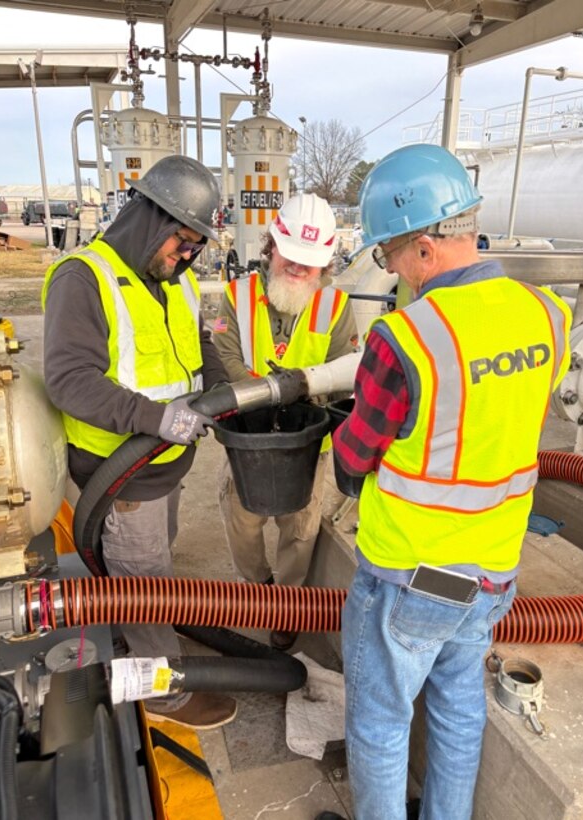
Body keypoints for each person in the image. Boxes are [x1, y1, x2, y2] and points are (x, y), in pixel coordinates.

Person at [332, 144, 571, 819]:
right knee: (457, 707)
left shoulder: (406, 336)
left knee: (379, 723)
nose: (390, 269)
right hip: (491, 573)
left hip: (412, 574)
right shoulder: (546, 314)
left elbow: (357, 455)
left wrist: (341, 449)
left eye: (389, 254)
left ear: (426, 249)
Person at [42, 154, 237, 731]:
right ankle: (163, 693)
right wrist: (153, 418)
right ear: (149, 216)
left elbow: (198, 349)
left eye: (197, 247)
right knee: (143, 579)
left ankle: (139, 636)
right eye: (182, 241)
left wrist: (225, 395)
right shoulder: (85, 277)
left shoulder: (170, 279)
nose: (187, 256)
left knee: (148, 565)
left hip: (163, 467)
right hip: (119, 473)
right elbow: (70, 379)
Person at [213, 193, 359, 651]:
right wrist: (264, 394)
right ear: (271, 246)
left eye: (308, 264)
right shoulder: (237, 297)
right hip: (248, 438)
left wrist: (301, 391)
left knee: (300, 526)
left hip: (305, 439)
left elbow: (344, 369)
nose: (297, 270)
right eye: (290, 257)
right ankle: (259, 588)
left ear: (326, 265)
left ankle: (287, 604)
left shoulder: (336, 307)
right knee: (243, 522)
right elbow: (224, 355)